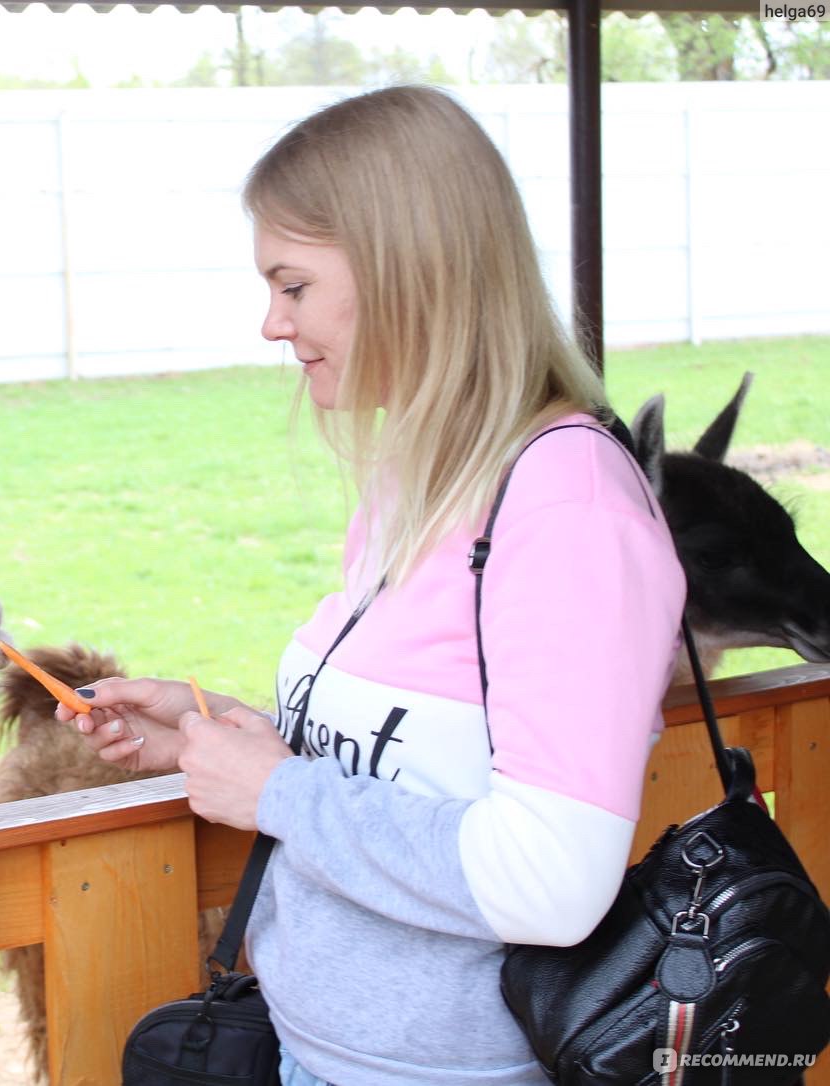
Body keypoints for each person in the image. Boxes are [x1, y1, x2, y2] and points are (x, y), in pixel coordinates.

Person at [56, 85, 686, 1085]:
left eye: (293, 284)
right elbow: (419, 758)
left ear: (407, 271)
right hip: (324, 1054)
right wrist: (213, 730)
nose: (271, 323)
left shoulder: (570, 507)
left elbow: (551, 880)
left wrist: (275, 791)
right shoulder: (415, 476)